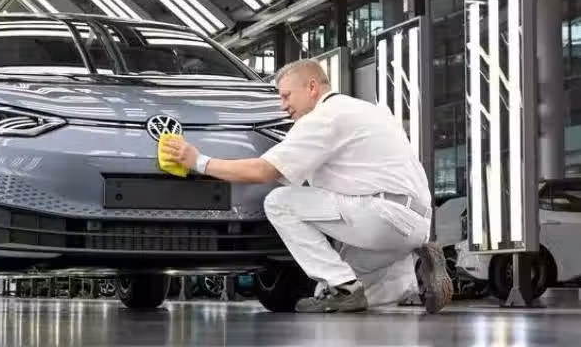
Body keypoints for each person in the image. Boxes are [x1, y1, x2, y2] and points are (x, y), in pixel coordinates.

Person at [162, 59, 453, 313]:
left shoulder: (322, 118)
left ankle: (344, 288)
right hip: (416, 226)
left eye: (286, 96)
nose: (283, 105)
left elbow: (264, 171)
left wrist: (198, 161)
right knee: (337, 295)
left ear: (312, 87)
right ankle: (417, 274)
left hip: (381, 217)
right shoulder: (369, 111)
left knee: (280, 202)